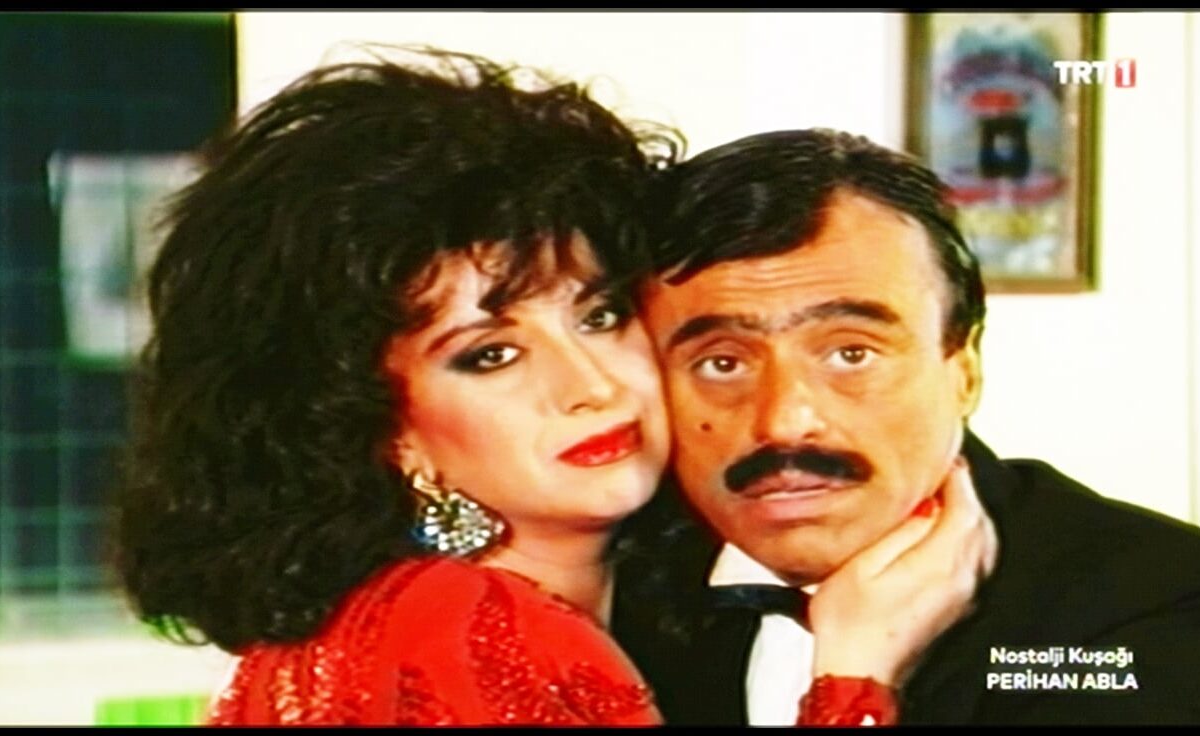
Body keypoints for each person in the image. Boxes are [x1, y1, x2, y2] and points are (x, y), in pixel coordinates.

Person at [111, 53, 988, 726]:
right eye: (491, 355)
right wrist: (858, 675)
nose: (589, 385)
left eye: (600, 315)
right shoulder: (473, 630)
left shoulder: (395, 616)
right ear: (383, 425)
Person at [613, 127, 1200, 725]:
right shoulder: (611, 590)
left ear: (964, 369)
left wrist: (855, 684)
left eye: (851, 353)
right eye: (723, 364)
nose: (786, 422)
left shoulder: (1151, 611)